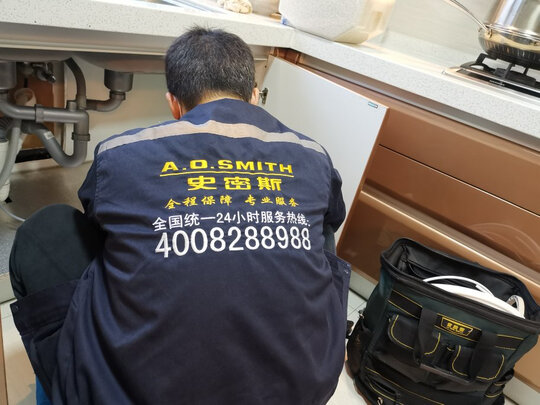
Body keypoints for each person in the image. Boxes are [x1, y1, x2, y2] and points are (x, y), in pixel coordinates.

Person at [9, 27, 350, 404]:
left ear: (173, 103)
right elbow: (330, 223)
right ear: (254, 97)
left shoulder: (121, 153)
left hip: (130, 396)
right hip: (303, 390)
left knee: (49, 230)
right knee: (320, 223)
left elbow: (97, 225)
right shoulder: (312, 154)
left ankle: (68, 385)